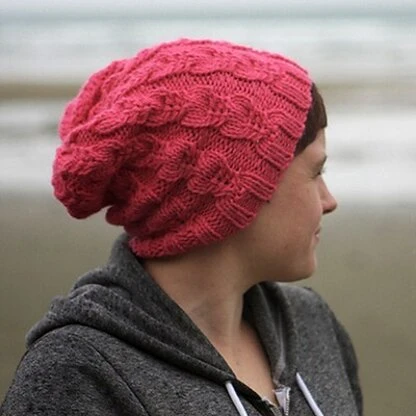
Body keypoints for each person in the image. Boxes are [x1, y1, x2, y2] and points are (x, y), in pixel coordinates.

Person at [1, 39, 362, 416]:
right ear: (232, 191)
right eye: (316, 172)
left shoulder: (311, 324)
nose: (329, 200)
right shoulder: (78, 376)